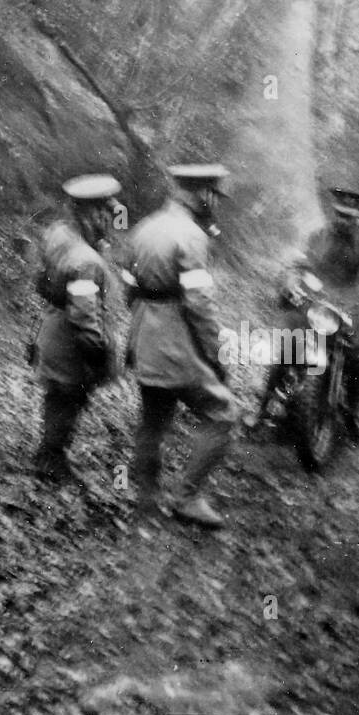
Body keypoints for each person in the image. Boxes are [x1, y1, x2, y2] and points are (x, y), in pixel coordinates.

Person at [122, 164, 239, 529]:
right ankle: (186, 498)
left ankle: (145, 498)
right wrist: (217, 352)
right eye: (214, 197)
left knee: (153, 420)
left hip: (143, 335)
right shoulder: (191, 235)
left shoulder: (144, 227)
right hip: (175, 341)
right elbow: (199, 305)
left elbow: (128, 286)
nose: (215, 205)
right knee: (223, 413)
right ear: (203, 194)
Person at [252, 184, 359, 441]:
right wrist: (291, 280)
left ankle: (353, 419)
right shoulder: (318, 234)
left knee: (356, 359)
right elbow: (297, 262)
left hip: (351, 300)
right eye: (340, 214)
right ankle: (262, 412)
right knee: (287, 351)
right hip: (316, 297)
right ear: (332, 211)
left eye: (350, 217)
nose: (343, 221)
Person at [31, 174, 123, 483]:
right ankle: (50, 458)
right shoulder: (86, 260)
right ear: (93, 213)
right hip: (69, 342)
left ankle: (49, 451)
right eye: (106, 214)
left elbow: (43, 280)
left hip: (52, 327)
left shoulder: (60, 233)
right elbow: (85, 317)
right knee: (69, 400)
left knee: (58, 398)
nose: (109, 220)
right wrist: (97, 354)